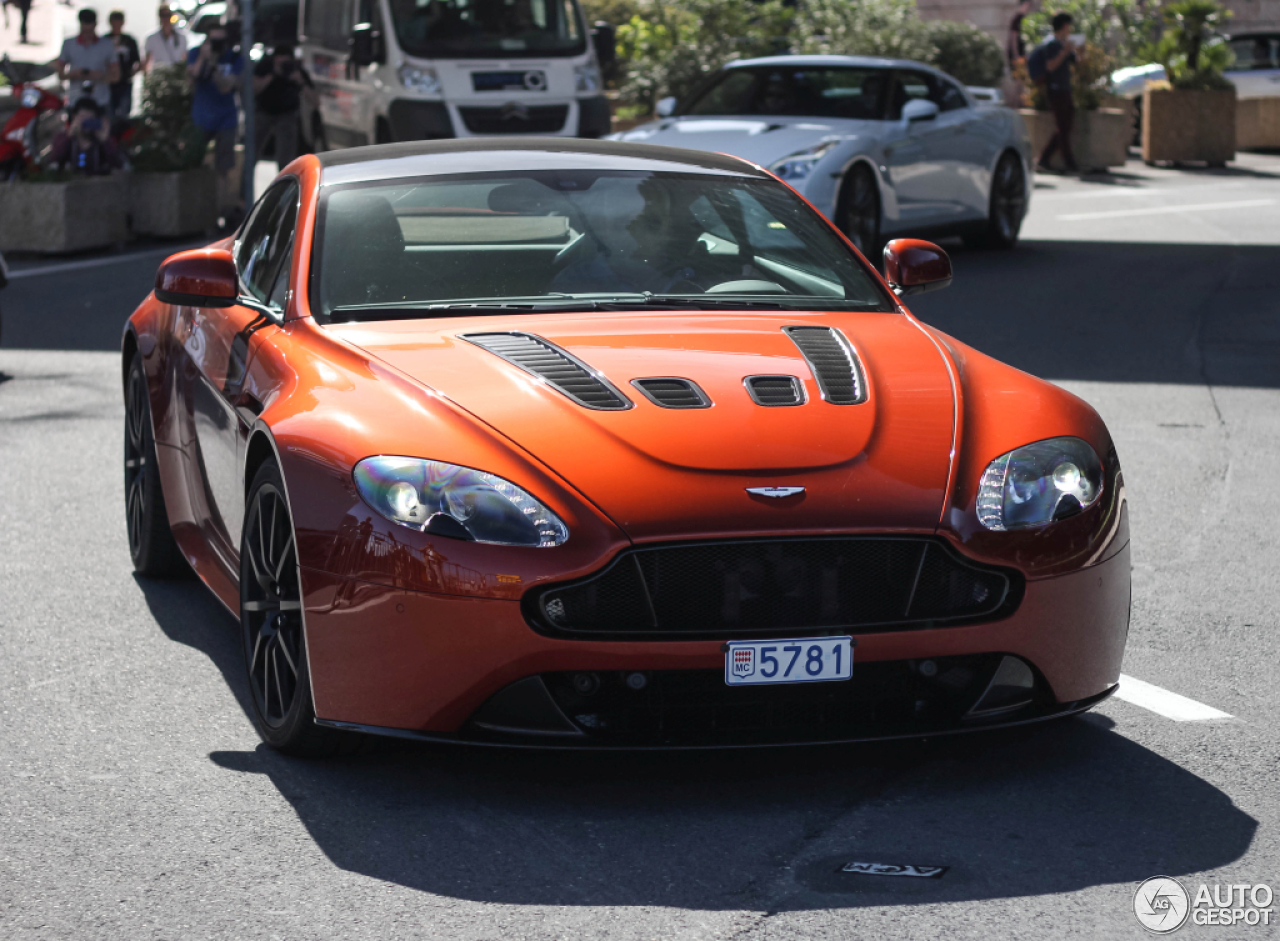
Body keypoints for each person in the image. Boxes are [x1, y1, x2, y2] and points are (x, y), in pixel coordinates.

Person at [187, 23, 243, 226]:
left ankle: (222, 211)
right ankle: (196, 210)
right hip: (202, 117)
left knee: (223, 168)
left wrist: (214, 65)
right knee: (193, 164)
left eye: (220, 41)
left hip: (225, 119)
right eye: (213, 40)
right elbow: (191, 79)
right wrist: (204, 57)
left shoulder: (235, 58)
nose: (216, 45)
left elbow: (226, 88)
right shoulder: (196, 53)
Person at [1032, 12, 1083, 173]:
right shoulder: (1052, 44)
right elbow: (1050, 66)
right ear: (1064, 26)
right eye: (1069, 26)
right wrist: (1064, 52)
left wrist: (1079, 51)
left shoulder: (1064, 44)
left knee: (1065, 127)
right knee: (1063, 127)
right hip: (1055, 89)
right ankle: (1069, 163)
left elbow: (1077, 63)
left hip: (1065, 88)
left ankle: (1044, 159)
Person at [253, 45, 310, 167]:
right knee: (252, 153)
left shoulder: (295, 71)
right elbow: (254, 89)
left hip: (287, 115)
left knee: (286, 159)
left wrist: (300, 81)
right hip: (264, 112)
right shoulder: (266, 67)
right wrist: (273, 74)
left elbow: (315, 100)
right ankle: (245, 185)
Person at [55, 9, 120, 109]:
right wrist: (74, 74)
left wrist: (100, 76)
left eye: (90, 31)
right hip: (75, 100)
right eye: (84, 31)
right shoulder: (69, 44)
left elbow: (116, 76)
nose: (87, 35)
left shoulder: (107, 45)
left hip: (100, 100)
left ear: (95, 25)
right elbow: (60, 74)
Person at [48, 96, 122, 174]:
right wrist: (69, 135)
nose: (86, 123)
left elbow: (118, 165)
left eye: (90, 119)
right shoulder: (63, 137)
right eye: (83, 118)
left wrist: (105, 140)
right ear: (74, 117)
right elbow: (53, 161)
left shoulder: (102, 139)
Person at [106, 10, 140, 120]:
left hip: (125, 82)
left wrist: (132, 72)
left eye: (119, 20)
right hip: (107, 83)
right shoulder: (104, 41)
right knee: (108, 115)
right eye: (114, 21)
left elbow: (137, 60)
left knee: (124, 115)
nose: (116, 24)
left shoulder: (129, 40)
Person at [144, 5, 188, 71]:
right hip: (159, 74)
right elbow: (147, 60)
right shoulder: (151, 37)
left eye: (168, 15)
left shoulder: (181, 37)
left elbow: (185, 57)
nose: (166, 18)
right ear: (159, 17)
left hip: (176, 74)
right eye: (163, 15)